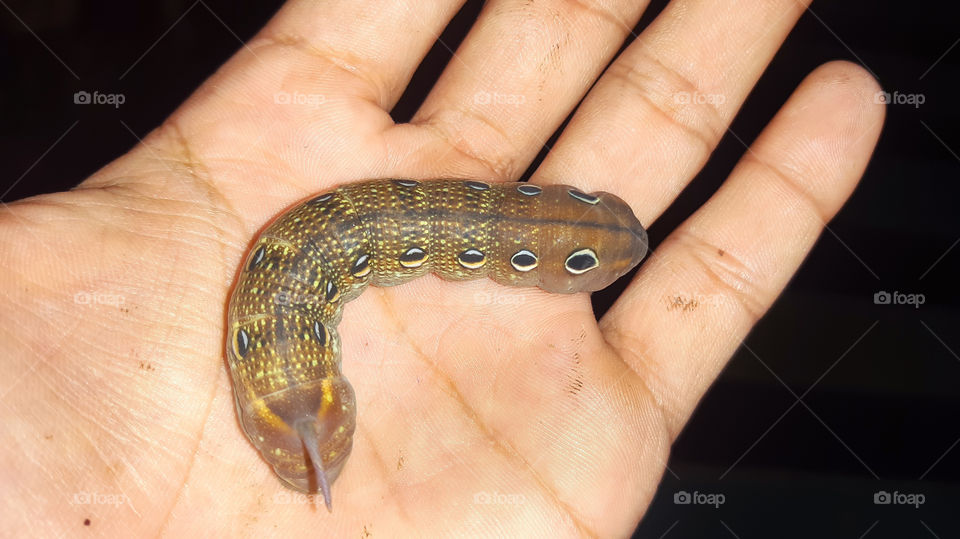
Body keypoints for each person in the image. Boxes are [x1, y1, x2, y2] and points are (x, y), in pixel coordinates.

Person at [0, 0, 883, 535]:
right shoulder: (292, 371)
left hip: (318, 271)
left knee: (342, 251)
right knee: (340, 253)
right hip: (313, 277)